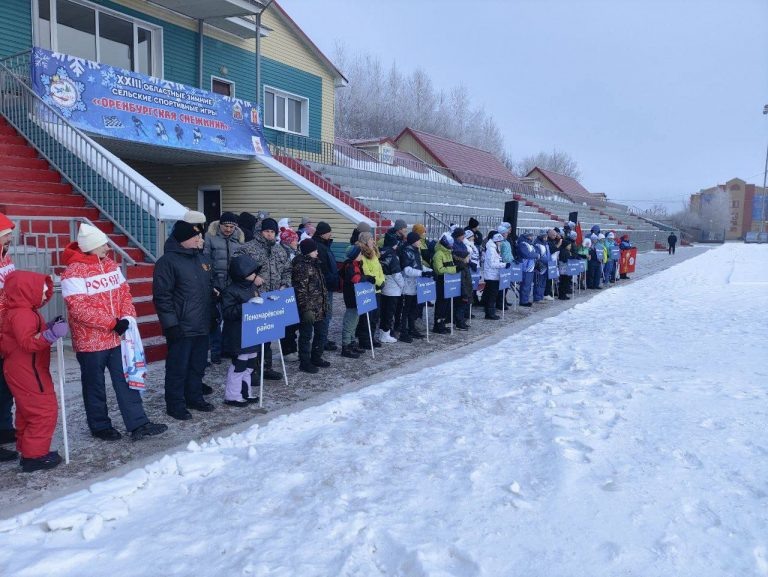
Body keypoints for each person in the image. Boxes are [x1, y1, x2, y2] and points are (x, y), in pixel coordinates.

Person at [62, 224, 167, 440]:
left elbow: (124, 293)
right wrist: (111, 322)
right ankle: (100, 426)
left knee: (126, 379)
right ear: (90, 247)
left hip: (117, 337)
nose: (107, 249)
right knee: (95, 386)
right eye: (103, 245)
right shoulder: (73, 272)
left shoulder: (110, 265)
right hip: (90, 341)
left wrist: (127, 316)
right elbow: (78, 308)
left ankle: (138, 424)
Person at [0, 271, 67, 472]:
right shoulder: (22, 313)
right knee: (43, 410)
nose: (46, 292)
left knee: (27, 409)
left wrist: (49, 326)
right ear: (26, 290)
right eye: (42, 289)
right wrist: (51, 335)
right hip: (28, 369)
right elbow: (28, 342)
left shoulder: (24, 310)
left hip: (26, 367)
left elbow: (29, 333)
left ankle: (27, 447)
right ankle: (34, 456)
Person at [153, 220, 216, 420]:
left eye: (200, 236)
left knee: (198, 365)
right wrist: (170, 324)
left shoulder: (202, 259)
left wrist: (213, 308)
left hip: (202, 323)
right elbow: (162, 296)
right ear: (183, 240)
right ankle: (175, 404)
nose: (200, 239)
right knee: (178, 367)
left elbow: (207, 288)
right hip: (182, 325)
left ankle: (194, 397)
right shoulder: (167, 262)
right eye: (195, 236)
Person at [235, 218, 292, 379]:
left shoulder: (279, 250)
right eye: (267, 231)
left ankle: (266, 367)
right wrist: (253, 278)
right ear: (260, 232)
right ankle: (251, 370)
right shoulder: (247, 248)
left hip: (273, 298)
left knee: (268, 334)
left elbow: (288, 270)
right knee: (254, 337)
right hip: (255, 298)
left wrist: (284, 284)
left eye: (272, 232)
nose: (269, 234)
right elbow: (236, 267)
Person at [220, 255, 264, 407]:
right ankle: (232, 395)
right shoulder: (230, 291)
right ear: (242, 274)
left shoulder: (252, 287)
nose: (255, 275)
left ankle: (245, 392)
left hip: (252, 333)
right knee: (239, 365)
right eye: (252, 272)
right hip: (238, 334)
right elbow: (228, 313)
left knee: (250, 364)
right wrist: (246, 307)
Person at [203, 212, 243, 365]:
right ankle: (215, 352)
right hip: (216, 284)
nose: (228, 229)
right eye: (226, 226)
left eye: (231, 226)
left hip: (232, 285)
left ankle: (227, 348)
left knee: (230, 318)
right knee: (215, 320)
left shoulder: (238, 239)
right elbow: (206, 261)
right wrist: (212, 283)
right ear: (220, 225)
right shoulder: (210, 237)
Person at [292, 238, 330, 373]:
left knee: (321, 333)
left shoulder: (315, 264)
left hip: (319, 306)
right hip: (308, 309)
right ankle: (305, 362)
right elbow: (300, 290)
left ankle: (316, 357)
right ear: (308, 252)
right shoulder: (301, 266)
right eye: (314, 250)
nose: (317, 252)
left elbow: (321, 286)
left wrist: (325, 303)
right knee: (306, 335)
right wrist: (306, 309)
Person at [0, 212, 18, 458]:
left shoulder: (6, 258)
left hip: (6, 330)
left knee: (4, 385)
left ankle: (3, 428)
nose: (9, 241)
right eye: (5, 237)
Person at [399, 232, 432, 341]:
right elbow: (407, 270)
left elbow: (419, 266)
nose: (420, 242)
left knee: (413, 309)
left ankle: (412, 329)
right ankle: (403, 332)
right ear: (413, 241)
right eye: (418, 240)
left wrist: (430, 271)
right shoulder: (406, 251)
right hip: (407, 285)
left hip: (416, 285)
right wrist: (422, 273)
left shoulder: (416, 251)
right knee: (406, 310)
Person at [311, 222, 338, 353]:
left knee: (327, 314)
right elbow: (323, 268)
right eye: (328, 232)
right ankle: (322, 340)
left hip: (328, 284)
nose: (330, 234)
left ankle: (324, 338)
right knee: (325, 314)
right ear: (322, 233)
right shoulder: (320, 247)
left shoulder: (324, 245)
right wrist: (332, 279)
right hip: (325, 286)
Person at [357, 231, 385, 348]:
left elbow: (379, 270)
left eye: (373, 239)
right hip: (368, 290)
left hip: (377, 290)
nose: (373, 241)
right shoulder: (362, 256)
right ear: (364, 241)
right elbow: (367, 272)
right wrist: (377, 282)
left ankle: (371, 337)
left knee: (375, 316)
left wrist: (382, 281)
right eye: (370, 239)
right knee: (367, 316)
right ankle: (364, 340)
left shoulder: (374, 254)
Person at [378, 233, 404, 344]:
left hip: (384, 286)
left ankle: (382, 333)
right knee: (389, 312)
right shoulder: (393, 256)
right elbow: (397, 274)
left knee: (384, 312)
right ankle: (386, 334)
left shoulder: (381, 253)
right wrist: (403, 285)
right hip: (393, 289)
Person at [279, 228, 300, 361]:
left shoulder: (295, 252)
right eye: (294, 240)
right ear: (288, 241)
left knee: (293, 321)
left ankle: (293, 348)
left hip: (295, 290)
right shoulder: (282, 253)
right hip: (285, 291)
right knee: (287, 323)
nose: (296, 243)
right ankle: (287, 351)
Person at [340, 245, 364, 358]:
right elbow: (355, 279)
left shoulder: (356, 264)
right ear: (355, 256)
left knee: (355, 320)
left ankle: (352, 342)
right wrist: (367, 278)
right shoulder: (350, 266)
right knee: (350, 321)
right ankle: (346, 346)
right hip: (351, 297)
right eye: (360, 254)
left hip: (356, 296)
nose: (362, 255)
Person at [431, 232, 457, 334]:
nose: (451, 246)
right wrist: (454, 269)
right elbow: (439, 270)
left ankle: (443, 323)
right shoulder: (438, 254)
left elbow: (450, 266)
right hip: (441, 281)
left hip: (449, 281)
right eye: (450, 244)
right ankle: (437, 325)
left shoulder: (448, 253)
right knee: (441, 304)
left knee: (446, 304)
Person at [483, 233, 508, 319]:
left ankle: (490, 312)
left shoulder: (495, 248)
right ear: (496, 241)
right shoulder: (491, 250)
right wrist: (504, 265)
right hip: (491, 276)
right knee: (491, 295)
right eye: (500, 241)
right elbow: (492, 264)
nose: (501, 243)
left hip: (494, 275)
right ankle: (489, 313)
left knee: (492, 295)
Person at [451, 228, 472, 330]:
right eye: (462, 235)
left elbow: (466, 253)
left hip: (465, 270)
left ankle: (461, 320)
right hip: (459, 271)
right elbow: (458, 255)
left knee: (465, 296)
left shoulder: (462, 243)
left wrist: (467, 258)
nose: (464, 237)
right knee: (461, 298)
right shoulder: (454, 244)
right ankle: (459, 321)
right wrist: (465, 257)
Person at [516, 231, 537, 307]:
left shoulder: (529, 244)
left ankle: (526, 299)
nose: (532, 237)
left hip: (530, 267)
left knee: (528, 285)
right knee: (525, 284)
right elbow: (527, 254)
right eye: (530, 236)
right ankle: (523, 301)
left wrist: (535, 255)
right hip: (526, 267)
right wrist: (536, 255)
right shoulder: (522, 244)